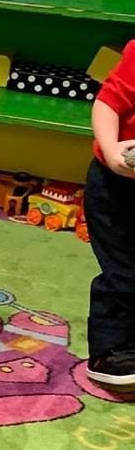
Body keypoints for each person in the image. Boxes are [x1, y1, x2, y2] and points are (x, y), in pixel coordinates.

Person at [85, 36, 135, 391]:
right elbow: (107, 103)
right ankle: (109, 352)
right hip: (118, 186)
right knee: (125, 272)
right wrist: (112, 150)